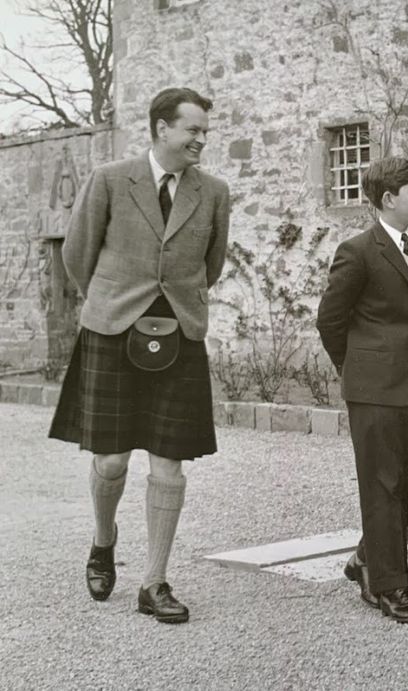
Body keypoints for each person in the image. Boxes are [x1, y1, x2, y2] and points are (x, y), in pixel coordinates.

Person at [49, 87, 230, 624]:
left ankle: (154, 581)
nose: (202, 140)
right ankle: (104, 541)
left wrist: (177, 302)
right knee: (110, 460)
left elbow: (211, 265)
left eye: (205, 131)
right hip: (111, 330)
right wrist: (112, 302)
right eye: (192, 130)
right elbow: (77, 254)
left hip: (180, 334)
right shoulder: (109, 179)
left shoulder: (214, 191)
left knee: (169, 464)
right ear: (160, 128)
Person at [316, 157, 408, 624]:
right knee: (382, 484)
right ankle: (391, 587)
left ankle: (367, 556)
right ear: (388, 199)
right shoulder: (357, 251)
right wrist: (355, 370)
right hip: (373, 388)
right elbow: (330, 321)